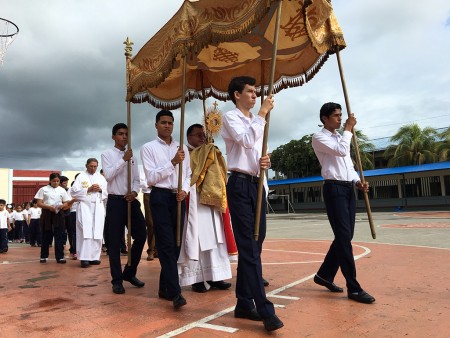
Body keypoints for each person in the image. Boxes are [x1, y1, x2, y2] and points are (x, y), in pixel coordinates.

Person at [221, 76, 284, 332]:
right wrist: (263, 113)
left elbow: (256, 151)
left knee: (256, 244)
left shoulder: (258, 121)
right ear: (237, 94)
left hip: (257, 184)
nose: (254, 95)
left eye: (256, 91)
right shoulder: (231, 117)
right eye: (249, 91)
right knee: (248, 247)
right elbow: (245, 141)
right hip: (238, 184)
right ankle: (265, 310)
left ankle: (244, 302)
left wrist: (265, 161)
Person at [311, 102, 375, 304]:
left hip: (347, 188)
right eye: (336, 116)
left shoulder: (340, 137)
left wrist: (357, 181)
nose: (340, 119)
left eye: (341, 115)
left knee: (345, 236)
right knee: (344, 238)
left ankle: (324, 275)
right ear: (325, 118)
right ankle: (353, 288)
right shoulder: (319, 137)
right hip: (334, 188)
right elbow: (339, 151)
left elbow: (347, 164)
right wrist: (348, 129)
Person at [140, 110, 191, 310]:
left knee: (177, 244)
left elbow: (187, 173)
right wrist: (172, 163)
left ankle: (164, 287)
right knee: (166, 244)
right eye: (163, 122)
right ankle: (176, 292)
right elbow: (151, 178)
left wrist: (185, 190)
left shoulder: (182, 148)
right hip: (160, 196)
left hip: (177, 198)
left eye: (170, 122)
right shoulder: (148, 148)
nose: (167, 126)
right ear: (156, 125)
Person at [177, 123, 234, 293]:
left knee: (216, 237)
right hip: (195, 198)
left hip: (212, 198)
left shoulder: (209, 150)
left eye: (204, 135)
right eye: (198, 135)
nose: (202, 138)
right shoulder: (186, 153)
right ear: (189, 137)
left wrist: (212, 153)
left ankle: (215, 276)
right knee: (199, 239)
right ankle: (198, 279)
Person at [101, 123, 147, 294]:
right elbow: (108, 175)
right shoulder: (107, 154)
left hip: (131, 200)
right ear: (113, 136)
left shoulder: (133, 157)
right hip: (115, 201)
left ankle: (130, 271)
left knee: (142, 235)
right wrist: (123, 160)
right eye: (120, 134)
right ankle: (117, 280)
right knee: (114, 242)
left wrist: (134, 192)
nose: (124, 137)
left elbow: (136, 179)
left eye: (127, 134)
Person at [70, 158, 108, 268]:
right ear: (86, 165)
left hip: (98, 206)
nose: (93, 168)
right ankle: (84, 257)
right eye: (91, 166)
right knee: (85, 231)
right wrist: (88, 190)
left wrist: (100, 190)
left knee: (97, 231)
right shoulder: (81, 177)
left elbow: (108, 191)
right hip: (85, 206)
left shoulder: (101, 178)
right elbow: (73, 192)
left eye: (95, 166)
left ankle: (94, 257)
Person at [35, 172, 75, 264]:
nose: (56, 183)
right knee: (46, 234)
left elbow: (67, 202)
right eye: (54, 181)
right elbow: (39, 203)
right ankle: (44, 256)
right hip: (47, 212)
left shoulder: (62, 190)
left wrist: (61, 206)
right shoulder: (43, 189)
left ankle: (60, 257)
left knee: (59, 235)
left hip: (58, 213)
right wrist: (49, 207)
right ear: (50, 181)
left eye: (58, 181)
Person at [140, 168, 157, 261]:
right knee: (150, 223)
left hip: (161, 193)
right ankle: (151, 250)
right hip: (148, 194)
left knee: (161, 222)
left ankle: (158, 249)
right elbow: (142, 182)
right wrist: (151, 184)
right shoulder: (144, 168)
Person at [60, 176, 76, 259]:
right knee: (61, 232)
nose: (66, 184)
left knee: (71, 232)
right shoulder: (58, 191)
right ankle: (60, 249)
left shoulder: (68, 190)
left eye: (67, 183)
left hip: (68, 213)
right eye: (64, 183)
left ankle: (73, 249)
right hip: (60, 214)